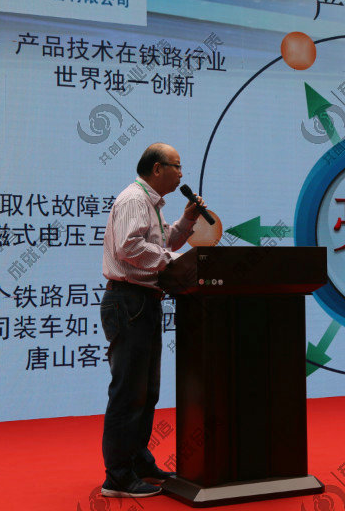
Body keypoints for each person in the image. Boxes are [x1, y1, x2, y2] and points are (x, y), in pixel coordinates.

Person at [99, 143, 205, 498]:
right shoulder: (134, 199)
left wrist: (187, 221)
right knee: (129, 391)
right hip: (129, 301)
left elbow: (162, 245)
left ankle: (138, 462)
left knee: (146, 392)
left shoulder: (152, 204)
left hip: (144, 301)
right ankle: (117, 476)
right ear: (157, 169)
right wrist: (173, 260)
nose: (181, 173)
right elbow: (128, 248)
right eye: (177, 166)